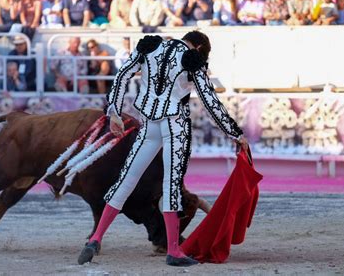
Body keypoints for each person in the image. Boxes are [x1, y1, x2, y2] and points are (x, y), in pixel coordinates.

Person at [77, 30, 248, 267]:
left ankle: (95, 239)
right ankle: (174, 250)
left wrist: (114, 112)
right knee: (171, 185)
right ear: (199, 48)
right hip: (175, 126)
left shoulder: (151, 46)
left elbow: (123, 75)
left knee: (126, 180)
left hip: (148, 126)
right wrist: (235, 133)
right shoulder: (192, 58)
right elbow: (210, 101)